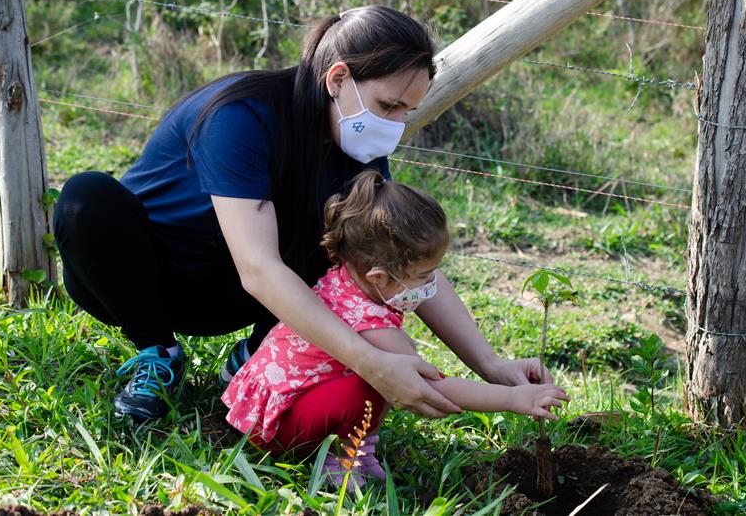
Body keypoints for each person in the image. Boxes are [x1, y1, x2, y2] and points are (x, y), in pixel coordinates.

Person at [53, 5, 556, 422]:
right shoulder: (240, 117)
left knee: (353, 228)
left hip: (236, 294)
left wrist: (490, 364)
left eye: (407, 111)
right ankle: (158, 353)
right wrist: (371, 362)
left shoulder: (355, 144)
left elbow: (404, 258)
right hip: (146, 279)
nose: (395, 126)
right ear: (338, 78)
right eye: (389, 105)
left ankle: (254, 360)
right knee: (85, 198)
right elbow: (259, 268)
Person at [222, 170, 570, 490]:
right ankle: (343, 461)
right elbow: (430, 386)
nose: (431, 285)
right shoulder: (366, 321)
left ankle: (355, 443)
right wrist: (511, 399)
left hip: (282, 400)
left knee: (382, 371)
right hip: (278, 424)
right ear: (379, 276)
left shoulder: (355, 283)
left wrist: (493, 365)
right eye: (423, 276)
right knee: (374, 379)